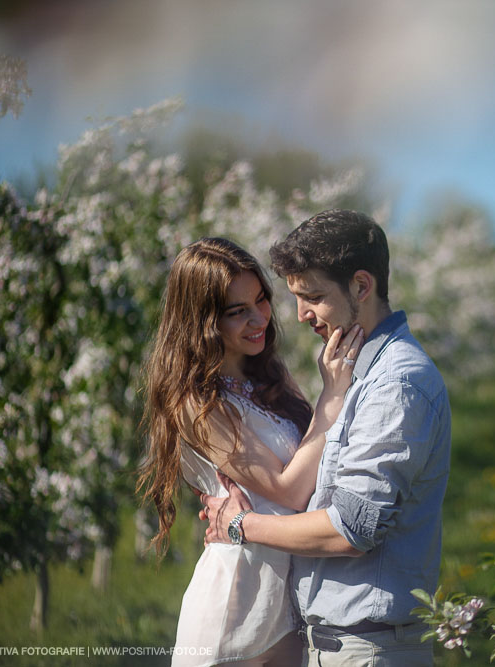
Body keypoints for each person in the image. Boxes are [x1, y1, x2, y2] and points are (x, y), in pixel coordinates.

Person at [200, 210, 452, 666]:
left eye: (313, 296)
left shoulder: (396, 383)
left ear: (361, 286)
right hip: (336, 645)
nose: (300, 316)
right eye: (295, 298)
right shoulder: (358, 371)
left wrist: (239, 525)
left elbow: (352, 529)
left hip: (366, 651)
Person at [137, 237, 363, 667]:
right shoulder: (195, 400)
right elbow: (288, 489)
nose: (259, 318)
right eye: (237, 311)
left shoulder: (269, 374)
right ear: (202, 321)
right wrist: (332, 395)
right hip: (235, 607)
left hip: (288, 600)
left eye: (260, 300)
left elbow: (316, 463)